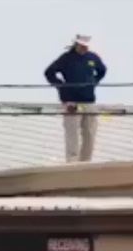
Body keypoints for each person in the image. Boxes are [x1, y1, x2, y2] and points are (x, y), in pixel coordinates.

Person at [44, 34, 107, 162]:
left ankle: (86, 161)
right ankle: (72, 160)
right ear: (76, 44)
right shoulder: (66, 58)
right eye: (82, 45)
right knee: (72, 133)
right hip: (71, 101)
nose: (84, 47)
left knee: (89, 133)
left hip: (89, 100)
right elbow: (49, 72)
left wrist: (93, 82)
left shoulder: (92, 57)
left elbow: (102, 70)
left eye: (86, 45)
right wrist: (61, 87)